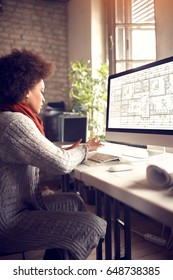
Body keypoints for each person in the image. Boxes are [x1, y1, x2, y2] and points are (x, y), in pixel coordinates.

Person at [0, 49, 107, 260]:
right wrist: (85, 149)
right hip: (8, 221)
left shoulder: (8, 116)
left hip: (23, 205)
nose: (44, 98)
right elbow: (61, 165)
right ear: (25, 91)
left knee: (74, 202)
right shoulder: (15, 123)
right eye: (42, 90)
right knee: (93, 225)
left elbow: (40, 154)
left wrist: (62, 152)